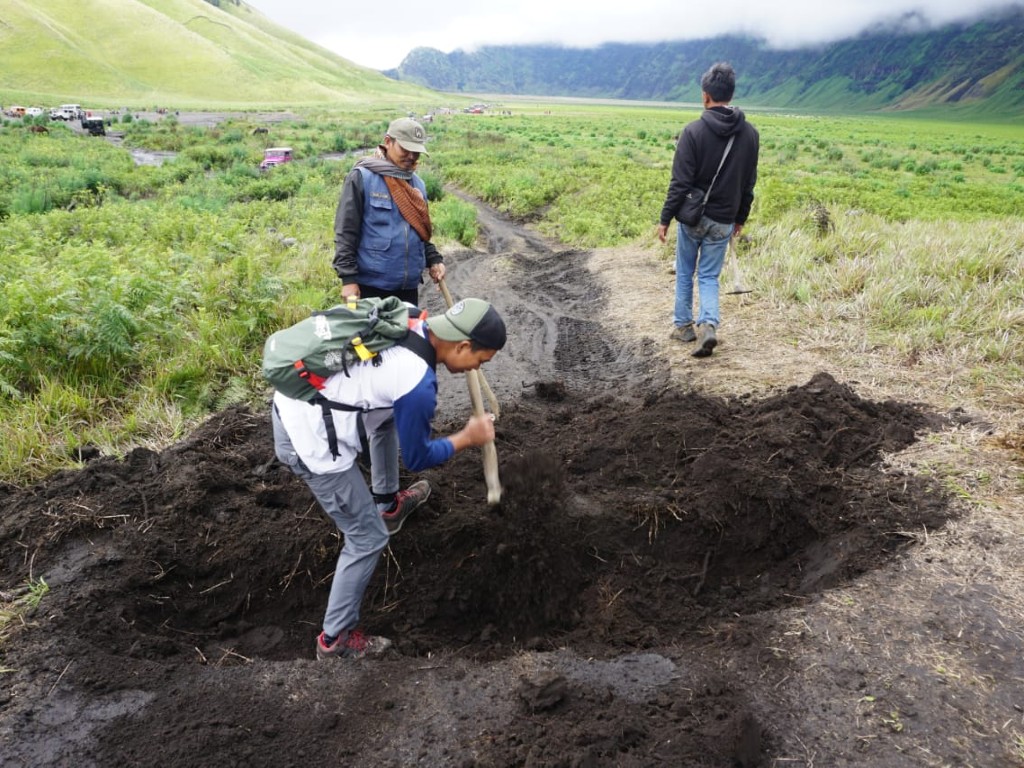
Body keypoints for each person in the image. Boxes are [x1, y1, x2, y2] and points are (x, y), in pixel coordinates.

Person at [272, 298, 506, 659]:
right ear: (461, 345)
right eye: (481, 360)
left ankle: (388, 504)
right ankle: (335, 641)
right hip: (311, 440)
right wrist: (466, 438)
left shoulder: (412, 317)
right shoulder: (416, 384)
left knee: (386, 418)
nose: (477, 368)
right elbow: (419, 457)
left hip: (298, 400)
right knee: (366, 536)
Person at [332, 117, 448, 522]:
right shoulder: (362, 178)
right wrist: (349, 281)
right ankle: (370, 462)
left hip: (406, 293)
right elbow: (345, 232)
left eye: (418, 153)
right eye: (406, 151)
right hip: (370, 291)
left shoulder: (415, 185)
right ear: (387, 143)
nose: (412, 158)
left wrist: (432, 259)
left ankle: (380, 451)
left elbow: (422, 231)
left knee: (400, 374)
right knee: (367, 371)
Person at [657, 62, 759, 358]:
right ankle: (709, 325)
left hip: (692, 217)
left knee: (686, 272)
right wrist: (741, 217)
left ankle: (683, 327)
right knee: (710, 276)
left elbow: (680, 182)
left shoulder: (692, 132)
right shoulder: (750, 135)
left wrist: (665, 218)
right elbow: (748, 183)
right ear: (731, 93)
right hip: (725, 218)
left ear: (705, 96)